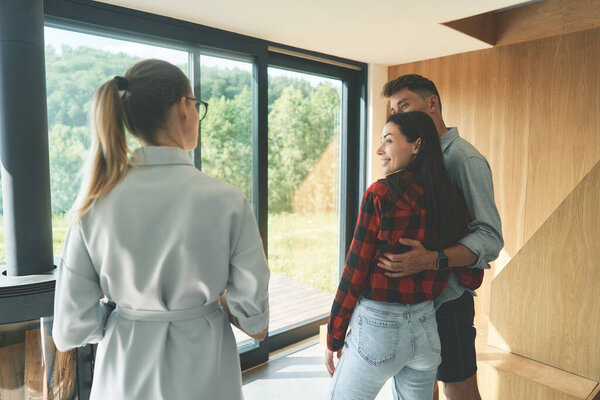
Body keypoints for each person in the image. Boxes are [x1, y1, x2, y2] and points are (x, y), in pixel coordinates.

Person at [52, 59, 270, 400]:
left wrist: (124, 311)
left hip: (123, 377)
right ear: (184, 108)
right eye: (197, 105)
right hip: (206, 377)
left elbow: (69, 328)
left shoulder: (95, 203)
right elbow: (255, 322)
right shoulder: (227, 200)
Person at [325, 111, 482, 400]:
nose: (379, 150)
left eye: (387, 140)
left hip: (378, 329)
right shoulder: (451, 199)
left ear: (416, 145)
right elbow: (471, 272)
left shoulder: (380, 195)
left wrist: (334, 334)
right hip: (426, 331)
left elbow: (354, 272)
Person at [378, 74, 504, 400]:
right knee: (418, 391)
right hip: (412, 303)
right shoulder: (413, 159)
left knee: (460, 391)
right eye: (394, 110)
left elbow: (489, 237)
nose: (399, 117)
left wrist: (433, 259)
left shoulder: (464, 159)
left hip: (448, 303)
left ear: (432, 103)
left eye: (404, 106)